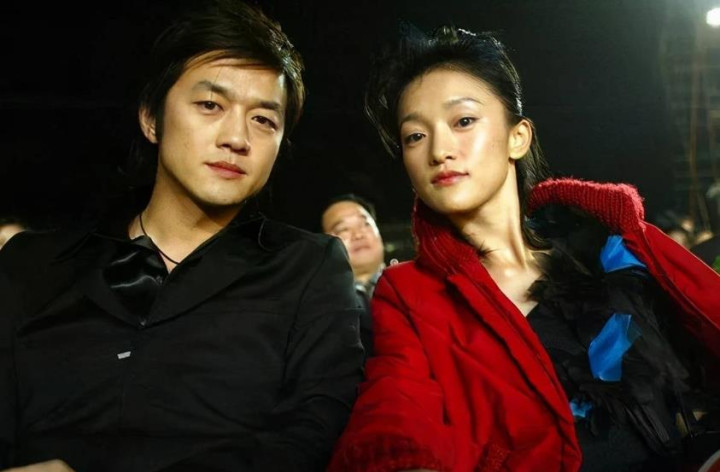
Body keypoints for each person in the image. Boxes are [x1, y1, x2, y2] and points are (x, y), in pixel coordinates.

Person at [329, 25, 720, 472]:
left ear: (518, 137)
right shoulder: (411, 294)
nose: (439, 150)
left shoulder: (613, 241)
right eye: (414, 136)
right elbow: (394, 405)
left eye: (463, 121)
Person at [0, 2, 364, 471]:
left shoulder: (307, 268)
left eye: (263, 120)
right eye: (211, 105)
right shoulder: (32, 265)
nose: (237, 138)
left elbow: (314, 432)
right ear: (151, 118)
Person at [321, 194, 385, 356]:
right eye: (343, 230)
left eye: (365, 224)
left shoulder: (416, 284)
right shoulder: (318, 308)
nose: (358, 235)